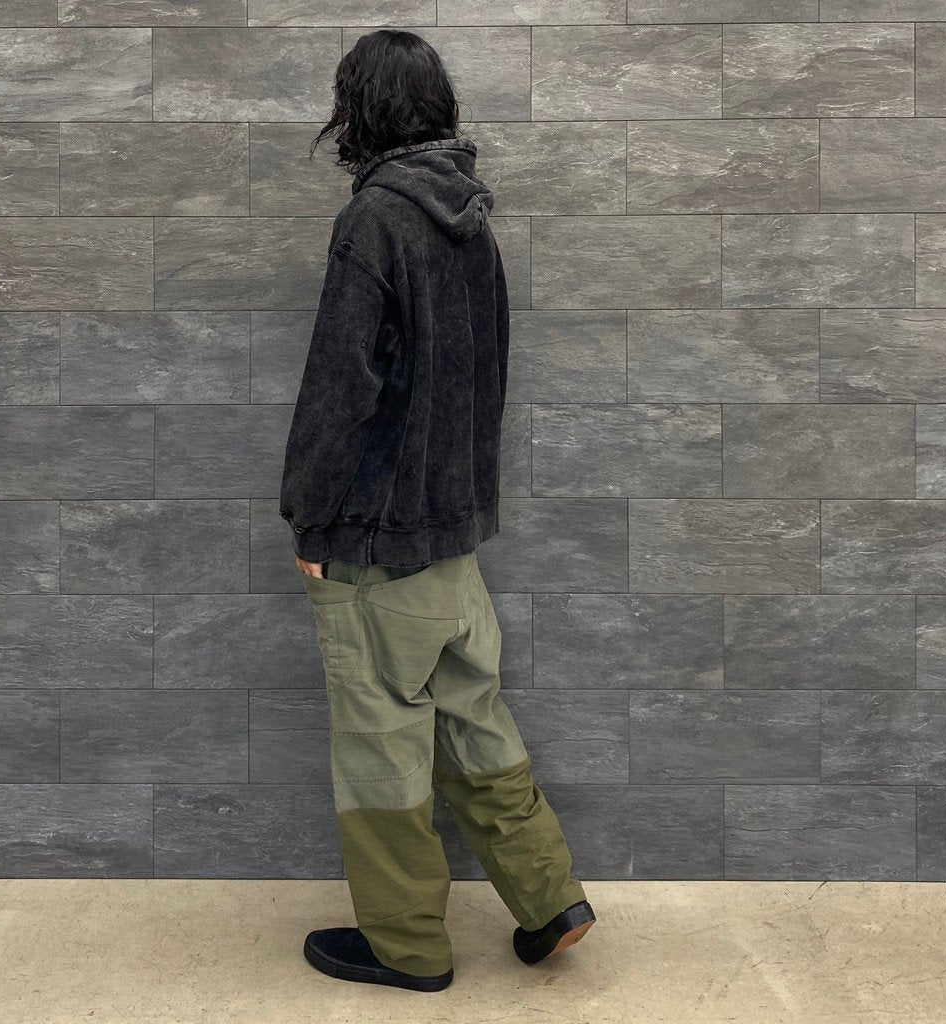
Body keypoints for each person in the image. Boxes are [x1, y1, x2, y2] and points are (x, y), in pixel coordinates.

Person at [278, 28, 595, 994]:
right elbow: (485, 378)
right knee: (473, 719)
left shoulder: (375, 219)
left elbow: (341, 388)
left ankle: (407, 947)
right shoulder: (471, 218)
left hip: (377, 541)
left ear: (359, 110)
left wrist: (311, 518)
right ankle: (550, 900)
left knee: (382, 743)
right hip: (452, 535)